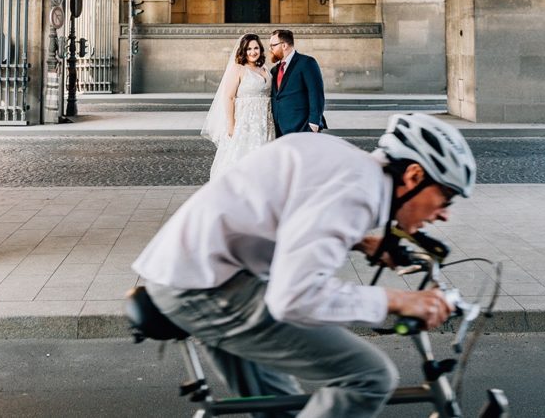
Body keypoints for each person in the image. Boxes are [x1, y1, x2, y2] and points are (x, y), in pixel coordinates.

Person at [133, 113, 476, 418]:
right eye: (445, 197)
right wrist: (399, 300)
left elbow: (296, 209)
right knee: (370, 377)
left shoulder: (351, 166)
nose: (444, 212)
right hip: (203, 285)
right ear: (414, 176)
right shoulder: (357, 193)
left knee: (277, 406)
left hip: (194, 271)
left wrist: (360, 240)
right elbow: (295, 297)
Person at [201, 34, 275, 179]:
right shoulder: (238, 69)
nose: (253, 52)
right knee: (243, 156)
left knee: (264, 157)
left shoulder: (264, 68)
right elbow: (228, 97)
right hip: (246, 121)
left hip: (265, 121)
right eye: (248, 49)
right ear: (243, 51)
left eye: (255, 48)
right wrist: (231, 124)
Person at [268, 28, 326, 137]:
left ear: (284, 45)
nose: (270, 49)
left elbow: (316, 93)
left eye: (273, 45)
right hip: (279, 130)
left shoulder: (307, 63)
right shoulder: (274, 70)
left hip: (303, 128)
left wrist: (314, 123)